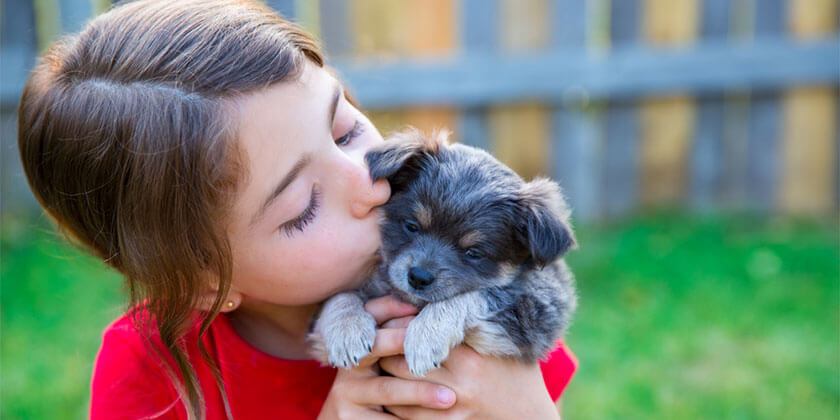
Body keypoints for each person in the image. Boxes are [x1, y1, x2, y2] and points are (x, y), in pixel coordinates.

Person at [17, 0, 577, 418]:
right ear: (204, 282)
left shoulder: (481, 320)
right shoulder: (147, 372)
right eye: (303, 208)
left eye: (345, 130)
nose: (368, 183)